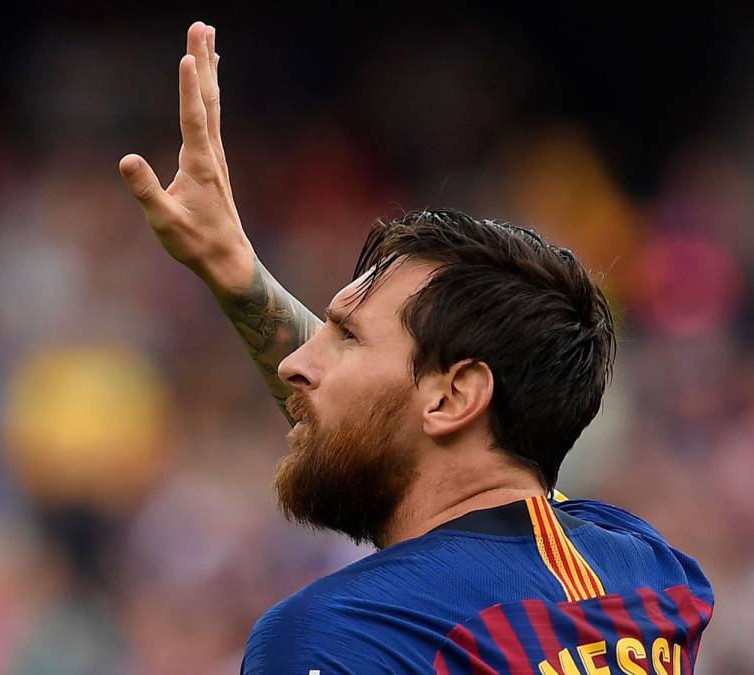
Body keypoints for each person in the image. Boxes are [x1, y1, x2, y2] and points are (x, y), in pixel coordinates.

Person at [118, 21, 713, 674]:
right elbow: (428, 463)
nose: (295, 363)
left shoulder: (338, 636)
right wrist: (238, 276)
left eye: (347, 337)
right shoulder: (652, 575)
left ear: (456, 396)